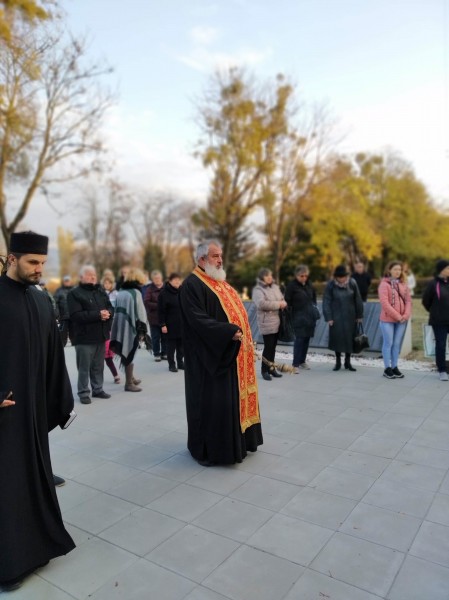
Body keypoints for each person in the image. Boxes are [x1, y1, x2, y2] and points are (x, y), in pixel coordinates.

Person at [0, 231, 75, 591]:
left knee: (32, 478)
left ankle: (38, 546)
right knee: (8, 485)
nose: (39, 269)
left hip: (32, 410)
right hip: (4, 413)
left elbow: (53, 354)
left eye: (43, 263)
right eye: (32, 262)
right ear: (12, 259)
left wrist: (61, 401)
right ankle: (10, 564)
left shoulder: (41, 299)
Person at [179, 240, 263, 466]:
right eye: (215, 256)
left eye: (220, 255)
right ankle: (210, 451)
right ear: (202, 259)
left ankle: (242, 442)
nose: (220, 260)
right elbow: (198, 321)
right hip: (209, 358)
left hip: (232, 354)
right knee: (211, 405)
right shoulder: (192, 285)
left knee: (230, 403)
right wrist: (227, 332)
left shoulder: (219, 282)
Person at [67, 265, 113, 404]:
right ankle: (83, 392)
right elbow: (76, 315)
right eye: (88, 274)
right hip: (84, 337)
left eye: (94, 274)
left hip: (101, 335)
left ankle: (98, 389)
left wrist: (108, 313)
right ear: (81, 277)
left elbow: (110, 306)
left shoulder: (100, 291)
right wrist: (98, 315)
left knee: (98, 366)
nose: (92, 277)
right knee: (84, 367)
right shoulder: (74, 293)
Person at [110, 268, 151, 392]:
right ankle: (128, 384)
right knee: (131, 351)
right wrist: (142, 330)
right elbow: (140, 312)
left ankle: (131, 377)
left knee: (127, 348)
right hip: (133, 326)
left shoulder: (121, 291)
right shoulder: (135, 292)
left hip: (121, 326)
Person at [322, 264, 364, 372]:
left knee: (350, 339)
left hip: (351, 316)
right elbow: (326, 301)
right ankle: (338, 362)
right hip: (336, 317)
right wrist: (329, 317)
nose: (342, 279)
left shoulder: (352, 283)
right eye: (339, 277)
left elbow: (358, 299)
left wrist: (359, 315)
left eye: (343, 276)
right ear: (336, 276)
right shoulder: (331, 285)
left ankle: (348, 362)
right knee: (337, 339)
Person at [378, 261, 412, 379]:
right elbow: (385, 303)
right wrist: (398, 316)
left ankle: (394, 367)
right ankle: (387, 368)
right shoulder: (384, 284)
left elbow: (408, 301)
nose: (398, 272)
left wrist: (405, 315)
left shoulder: (404, 284)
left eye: (399, 269)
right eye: (395, 269)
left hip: (402, 320)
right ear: (389, 270)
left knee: (396, 344)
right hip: (387, 320)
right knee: (388, 343)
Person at [252, 267, 287, 381]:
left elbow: (282, 298)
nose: (269, 277)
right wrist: (278, 304)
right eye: (267, 275)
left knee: (273, 348)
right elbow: (261, 304)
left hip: (277, 321)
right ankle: (264, 370)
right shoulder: (258, 290)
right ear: (262, 277)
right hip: (266, 322)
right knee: (268, 347)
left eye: (270, 275)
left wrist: (283, 303)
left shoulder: (275, 287)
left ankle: (271, 369)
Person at [285, 264, 319, 372]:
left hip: (309, 317)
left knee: (306, 340)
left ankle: (302, 361)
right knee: (299, 340)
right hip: (297, 317)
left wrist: (313, 308)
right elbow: (287, 301)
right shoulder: (292, 286)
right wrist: (290, 315)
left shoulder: (309, 285)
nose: (304, 278)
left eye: (306, 276)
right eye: (301, 276)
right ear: (296, 275)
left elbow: (314, 298)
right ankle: (295, 363)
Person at [422, 259, 449, 381]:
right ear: (441, 270)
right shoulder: (433, 284)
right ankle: (442, 370)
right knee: (441, 345)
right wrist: (436, 312)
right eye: (448, 268)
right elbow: (426, 301)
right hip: (439, 321)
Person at [158, 272, 184, 373]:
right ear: (170, 281)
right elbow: (161, 311)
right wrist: (163, 324)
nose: (177, 281)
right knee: (171, 347)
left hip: (181, 324)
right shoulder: (164, 293)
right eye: (175, 280)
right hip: (170, 325)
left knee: (181, 346)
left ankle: (180, 363)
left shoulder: (182, 291)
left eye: (179, 279)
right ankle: (171, 364)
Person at [144, 269, 167, 361]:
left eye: (158, 278)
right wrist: (158, 306)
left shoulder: (166, 287)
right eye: (155, 278)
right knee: (155, 337)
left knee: (165, 336)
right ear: (153, 280)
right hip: (154, 318)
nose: (157, 280)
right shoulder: (150, 289)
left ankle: (164, 353)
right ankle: (156, 353)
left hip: (165, 317)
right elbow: (146, 302)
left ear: (161, 278)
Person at [101, 273, 120, 384]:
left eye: (109, 283)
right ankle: (115, 376)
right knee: (104, 355)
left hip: (112, 325)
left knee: (109, 355)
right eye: (105, 283)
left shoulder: (116, 294)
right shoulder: (101, 294)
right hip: (103, 325)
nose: (107, 285)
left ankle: (118, 375)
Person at [54, 275, 74, 346]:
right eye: (66, 281)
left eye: (68, 281)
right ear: (63, 282)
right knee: (63, 332)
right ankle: (62, 345)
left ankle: (75, 343)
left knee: (74, 331)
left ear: (70, 282)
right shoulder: (59, 291)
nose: (67, 282)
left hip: (73, 315)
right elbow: (55, 302)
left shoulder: (74, 290)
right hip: (63, 316)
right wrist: (56, 313)